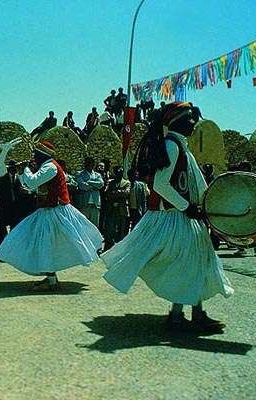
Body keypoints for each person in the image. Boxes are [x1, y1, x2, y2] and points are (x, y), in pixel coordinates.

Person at [101, 101, 233, 334]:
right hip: (175, 218)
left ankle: (193, 314)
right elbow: (161, 184)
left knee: (196, 264)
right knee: (188, 265)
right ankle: (180, 316)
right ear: (176, 122)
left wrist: (208, 205)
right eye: (189, 119)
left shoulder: (181, 148)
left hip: (184, 217)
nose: (193, 123)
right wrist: (187, 208)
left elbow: (195, 184)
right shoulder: (173, 147)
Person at [0, 141, 103, 291]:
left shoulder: (50, 167)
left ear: (42, 155)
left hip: (55, 212)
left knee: (46, 244)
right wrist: (22, 174)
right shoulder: (47, 167)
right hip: (48, 211)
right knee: (46, 245)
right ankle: (51, 278)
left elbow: (32, 181)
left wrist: (25, 169)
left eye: (35, 155)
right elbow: (33, 185)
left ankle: (51, 281)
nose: (33, 158)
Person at [102, 165, 131, 250]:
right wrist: (118, 194)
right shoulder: (110, 182)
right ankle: (108, 248)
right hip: (111, 209)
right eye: (118, 172)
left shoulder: (126, 183)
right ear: (114, 173)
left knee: (122, 230)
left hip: (122, 209)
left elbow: (126, 193)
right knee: (110, 229)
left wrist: (115, 192)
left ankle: (121, 249)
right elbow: (107, 193)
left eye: (121, 172)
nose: (120, 173)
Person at [71, 157, 103, 228]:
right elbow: (82, 185)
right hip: (84, 204)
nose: (87, 164)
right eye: (86, 163)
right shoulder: (80, 174)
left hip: (95, 204)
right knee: (83, 226)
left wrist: (89, 182)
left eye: (89, 163)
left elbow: (101, 184)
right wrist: (94, 186)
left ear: (93, 164)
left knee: (94, 227)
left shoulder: (97, 175)